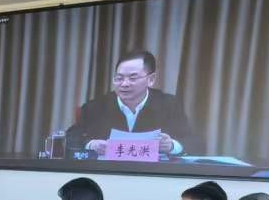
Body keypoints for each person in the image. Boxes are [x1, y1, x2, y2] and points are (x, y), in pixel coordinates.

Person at [70, 50, 200, 159]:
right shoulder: (96, 106)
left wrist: (172, 146)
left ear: (151, 79)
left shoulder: (168, 105)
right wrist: (91, 145)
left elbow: (194, 142)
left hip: (152, 174)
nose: (124, 84)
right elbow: (70, 138)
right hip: (110, 173)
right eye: (119, 78)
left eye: (132, 78)